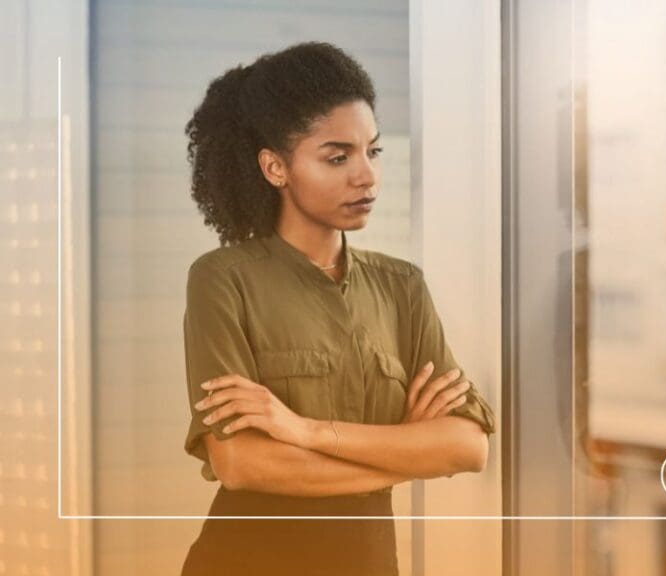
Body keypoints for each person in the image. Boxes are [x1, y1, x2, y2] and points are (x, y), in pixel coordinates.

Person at [179, 41, 496, 576]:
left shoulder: (402, 288)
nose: (366, 176)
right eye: (337, 157)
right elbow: (240, 463)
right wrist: (401, 454)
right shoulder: (221, 280)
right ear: (275, 167)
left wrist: (301, 431)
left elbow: (467, 446)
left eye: (373, 151)